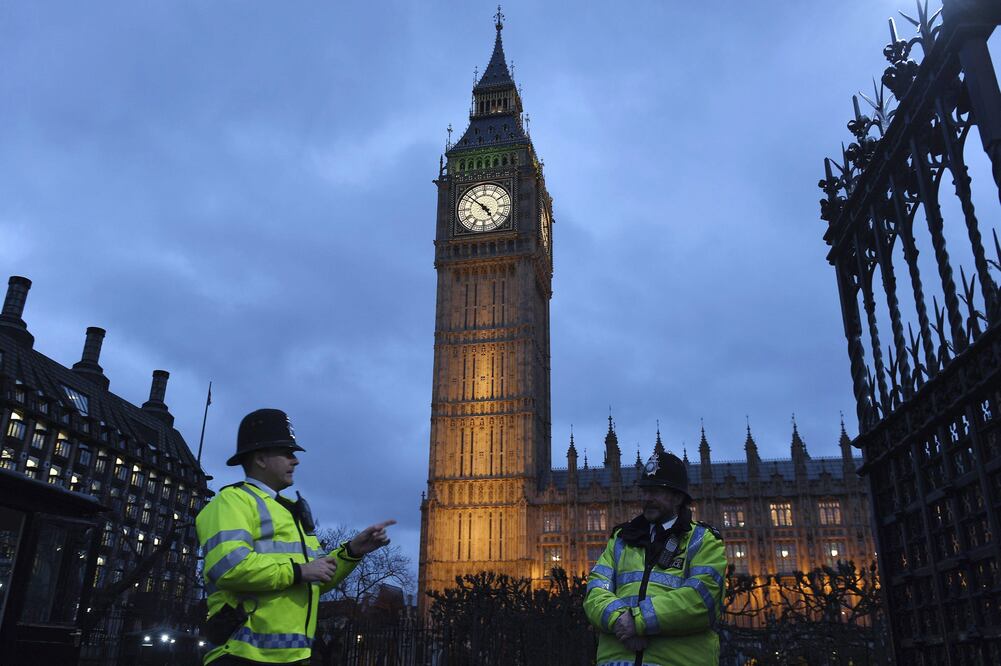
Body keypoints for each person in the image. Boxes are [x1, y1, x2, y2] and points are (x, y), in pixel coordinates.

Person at [196, 408, 395, 665]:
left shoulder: (291, 511)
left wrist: (352, 552)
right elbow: (228, 568)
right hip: (241, 656)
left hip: (293, 658)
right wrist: (299, 571)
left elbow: (317, 578)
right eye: (287, 453)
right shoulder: (231, 502)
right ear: (261, 459)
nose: (295, 460)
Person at [583, 448, 727, 666]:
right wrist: (619, 620)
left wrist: (638, 621)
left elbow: (702, 599)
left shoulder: (702, 539)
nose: (647, 498)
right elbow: (595, 591)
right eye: (645, 491)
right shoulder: (622, 539)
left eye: (656, 492)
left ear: (678, 497)